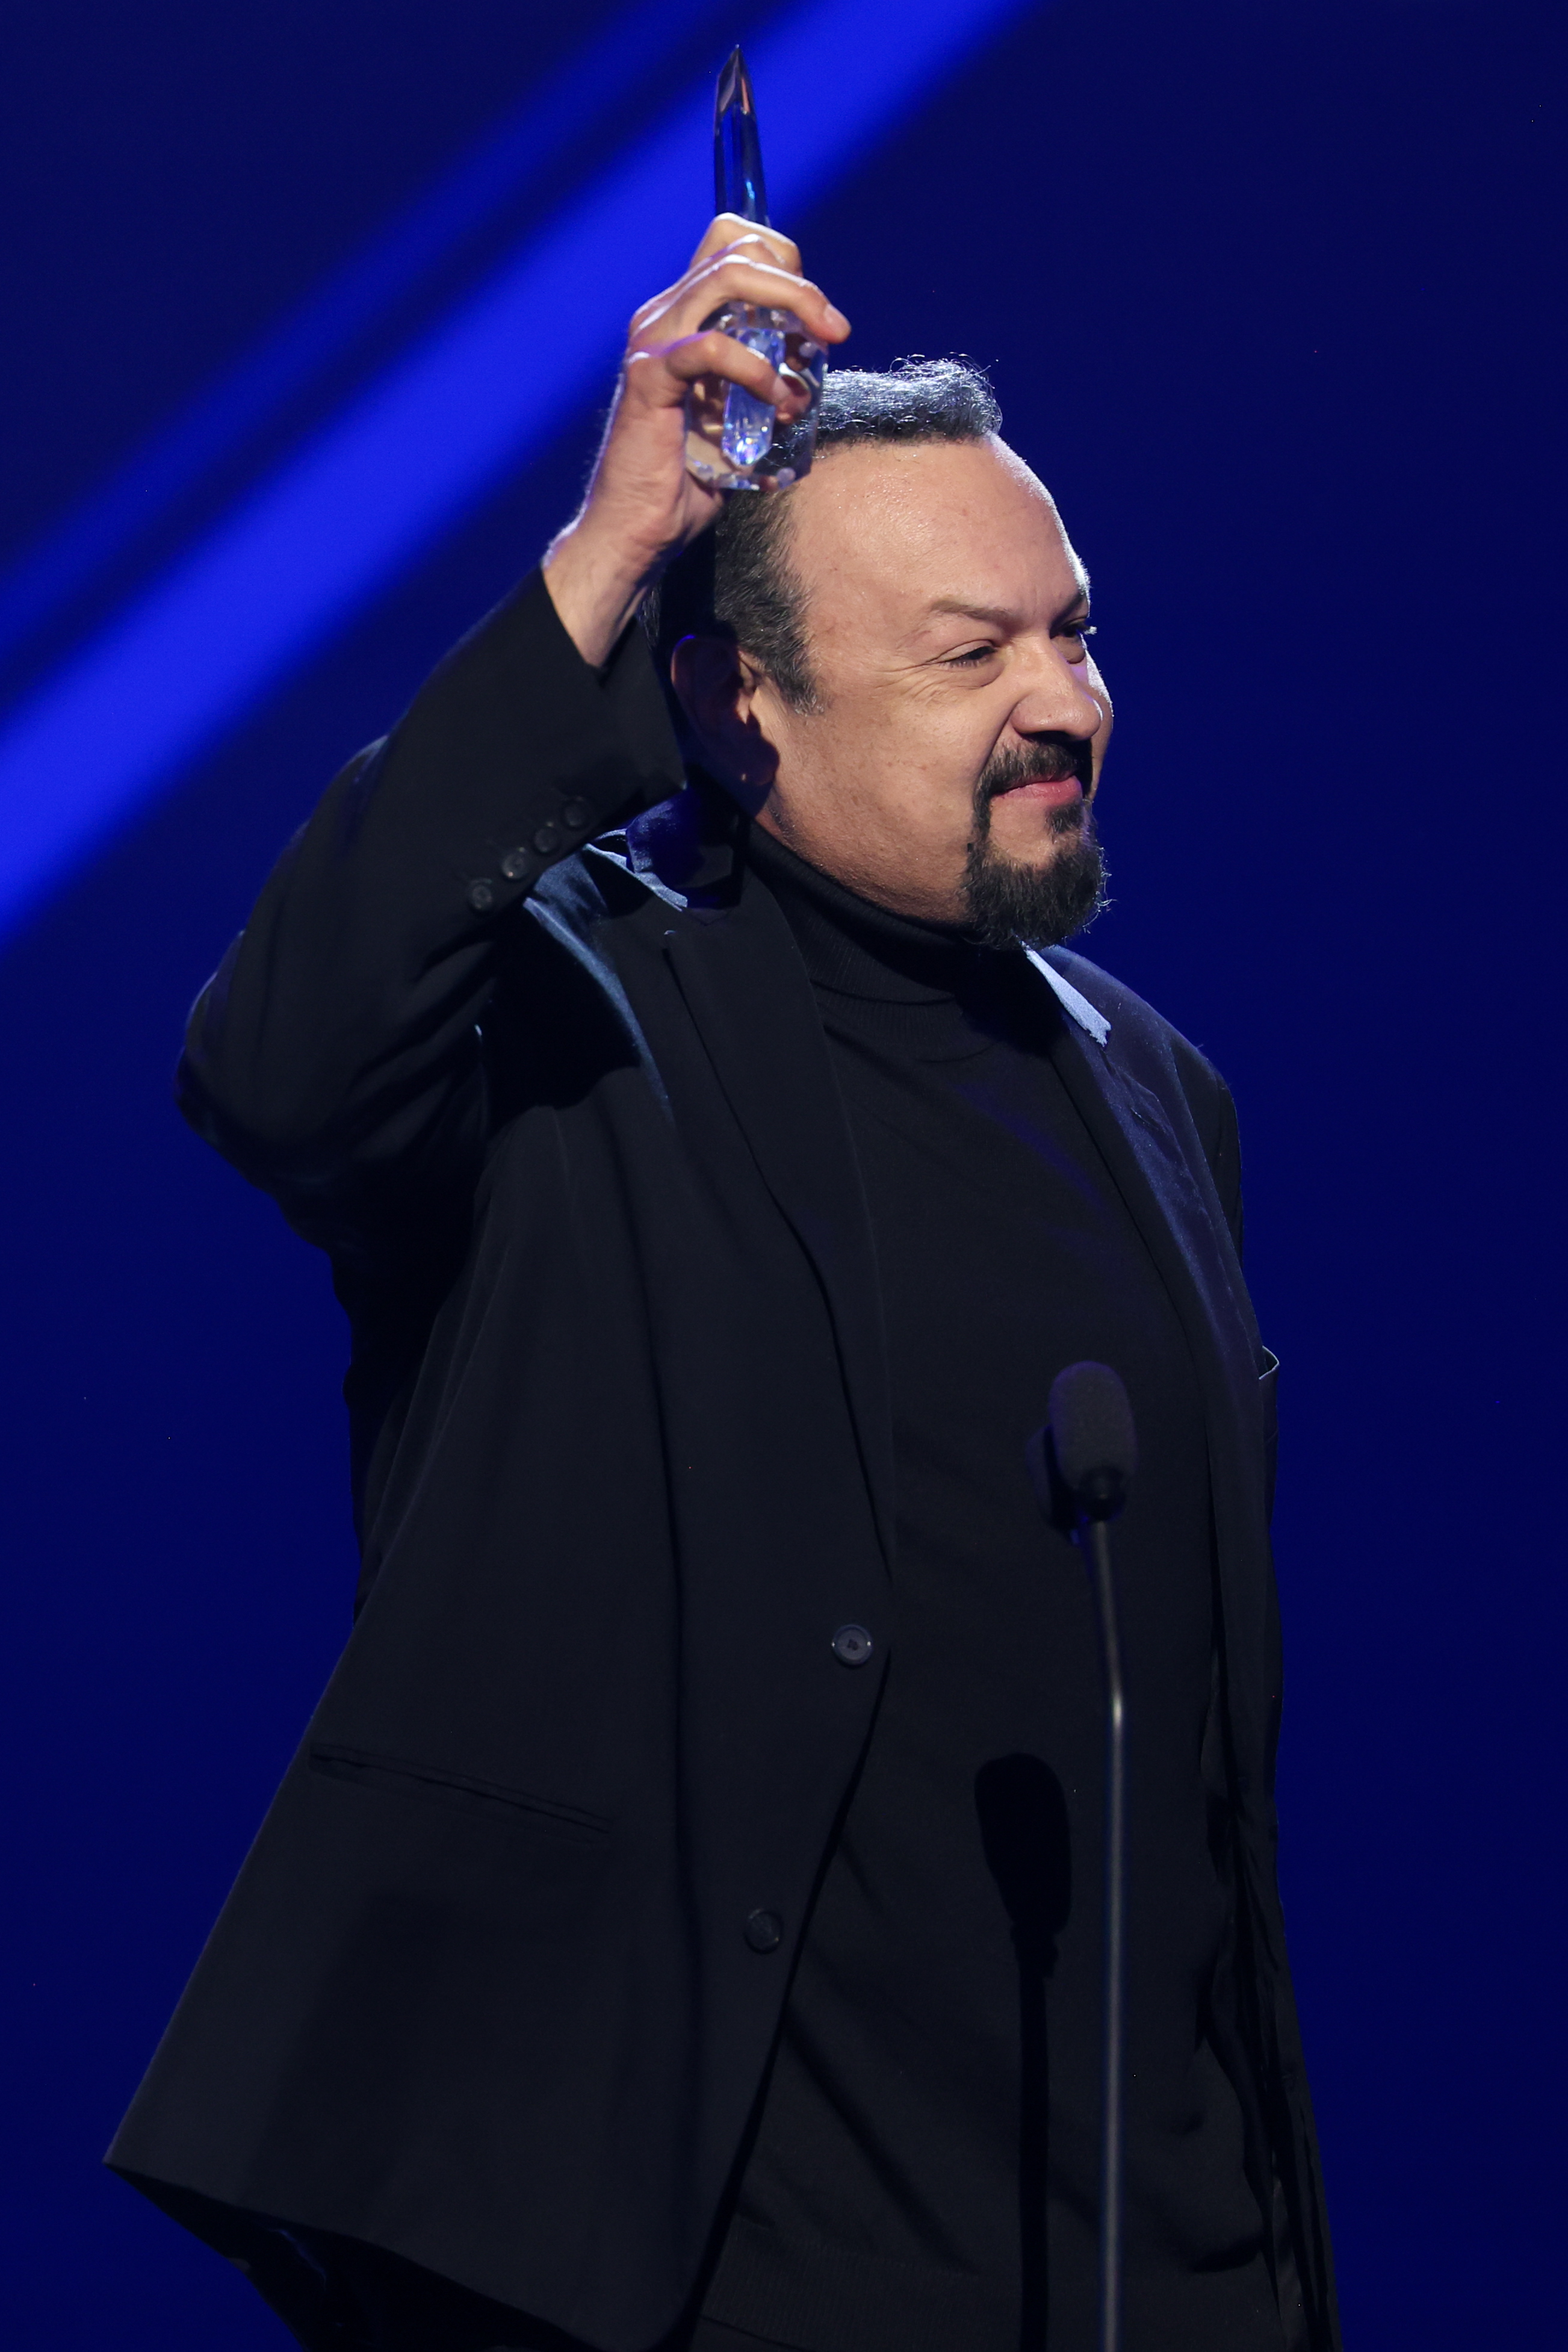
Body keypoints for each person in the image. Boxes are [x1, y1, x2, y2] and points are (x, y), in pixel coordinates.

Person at [109, 216, 1340, 2352]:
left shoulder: (1161, 1093)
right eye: (975, 656)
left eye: (1078, 634)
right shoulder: (564, 1027)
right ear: (734, 697)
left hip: (1142, 2264)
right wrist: (608, 550)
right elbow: (279, 1065)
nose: (1066, 705)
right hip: (696, 2265)